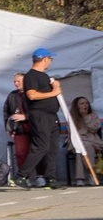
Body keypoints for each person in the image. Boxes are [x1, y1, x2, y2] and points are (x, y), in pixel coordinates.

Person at [21, 47, 67, 187]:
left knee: (53, 147)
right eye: (50, 59)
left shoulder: (44, 76)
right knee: (41, 146)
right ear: (45, 59)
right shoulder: (31, 76)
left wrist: (55, 86)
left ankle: (50, 178)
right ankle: (21, 175)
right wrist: (53, 93)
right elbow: (32, 95)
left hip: (51, 115)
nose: (50, 62)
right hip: (40, 115)